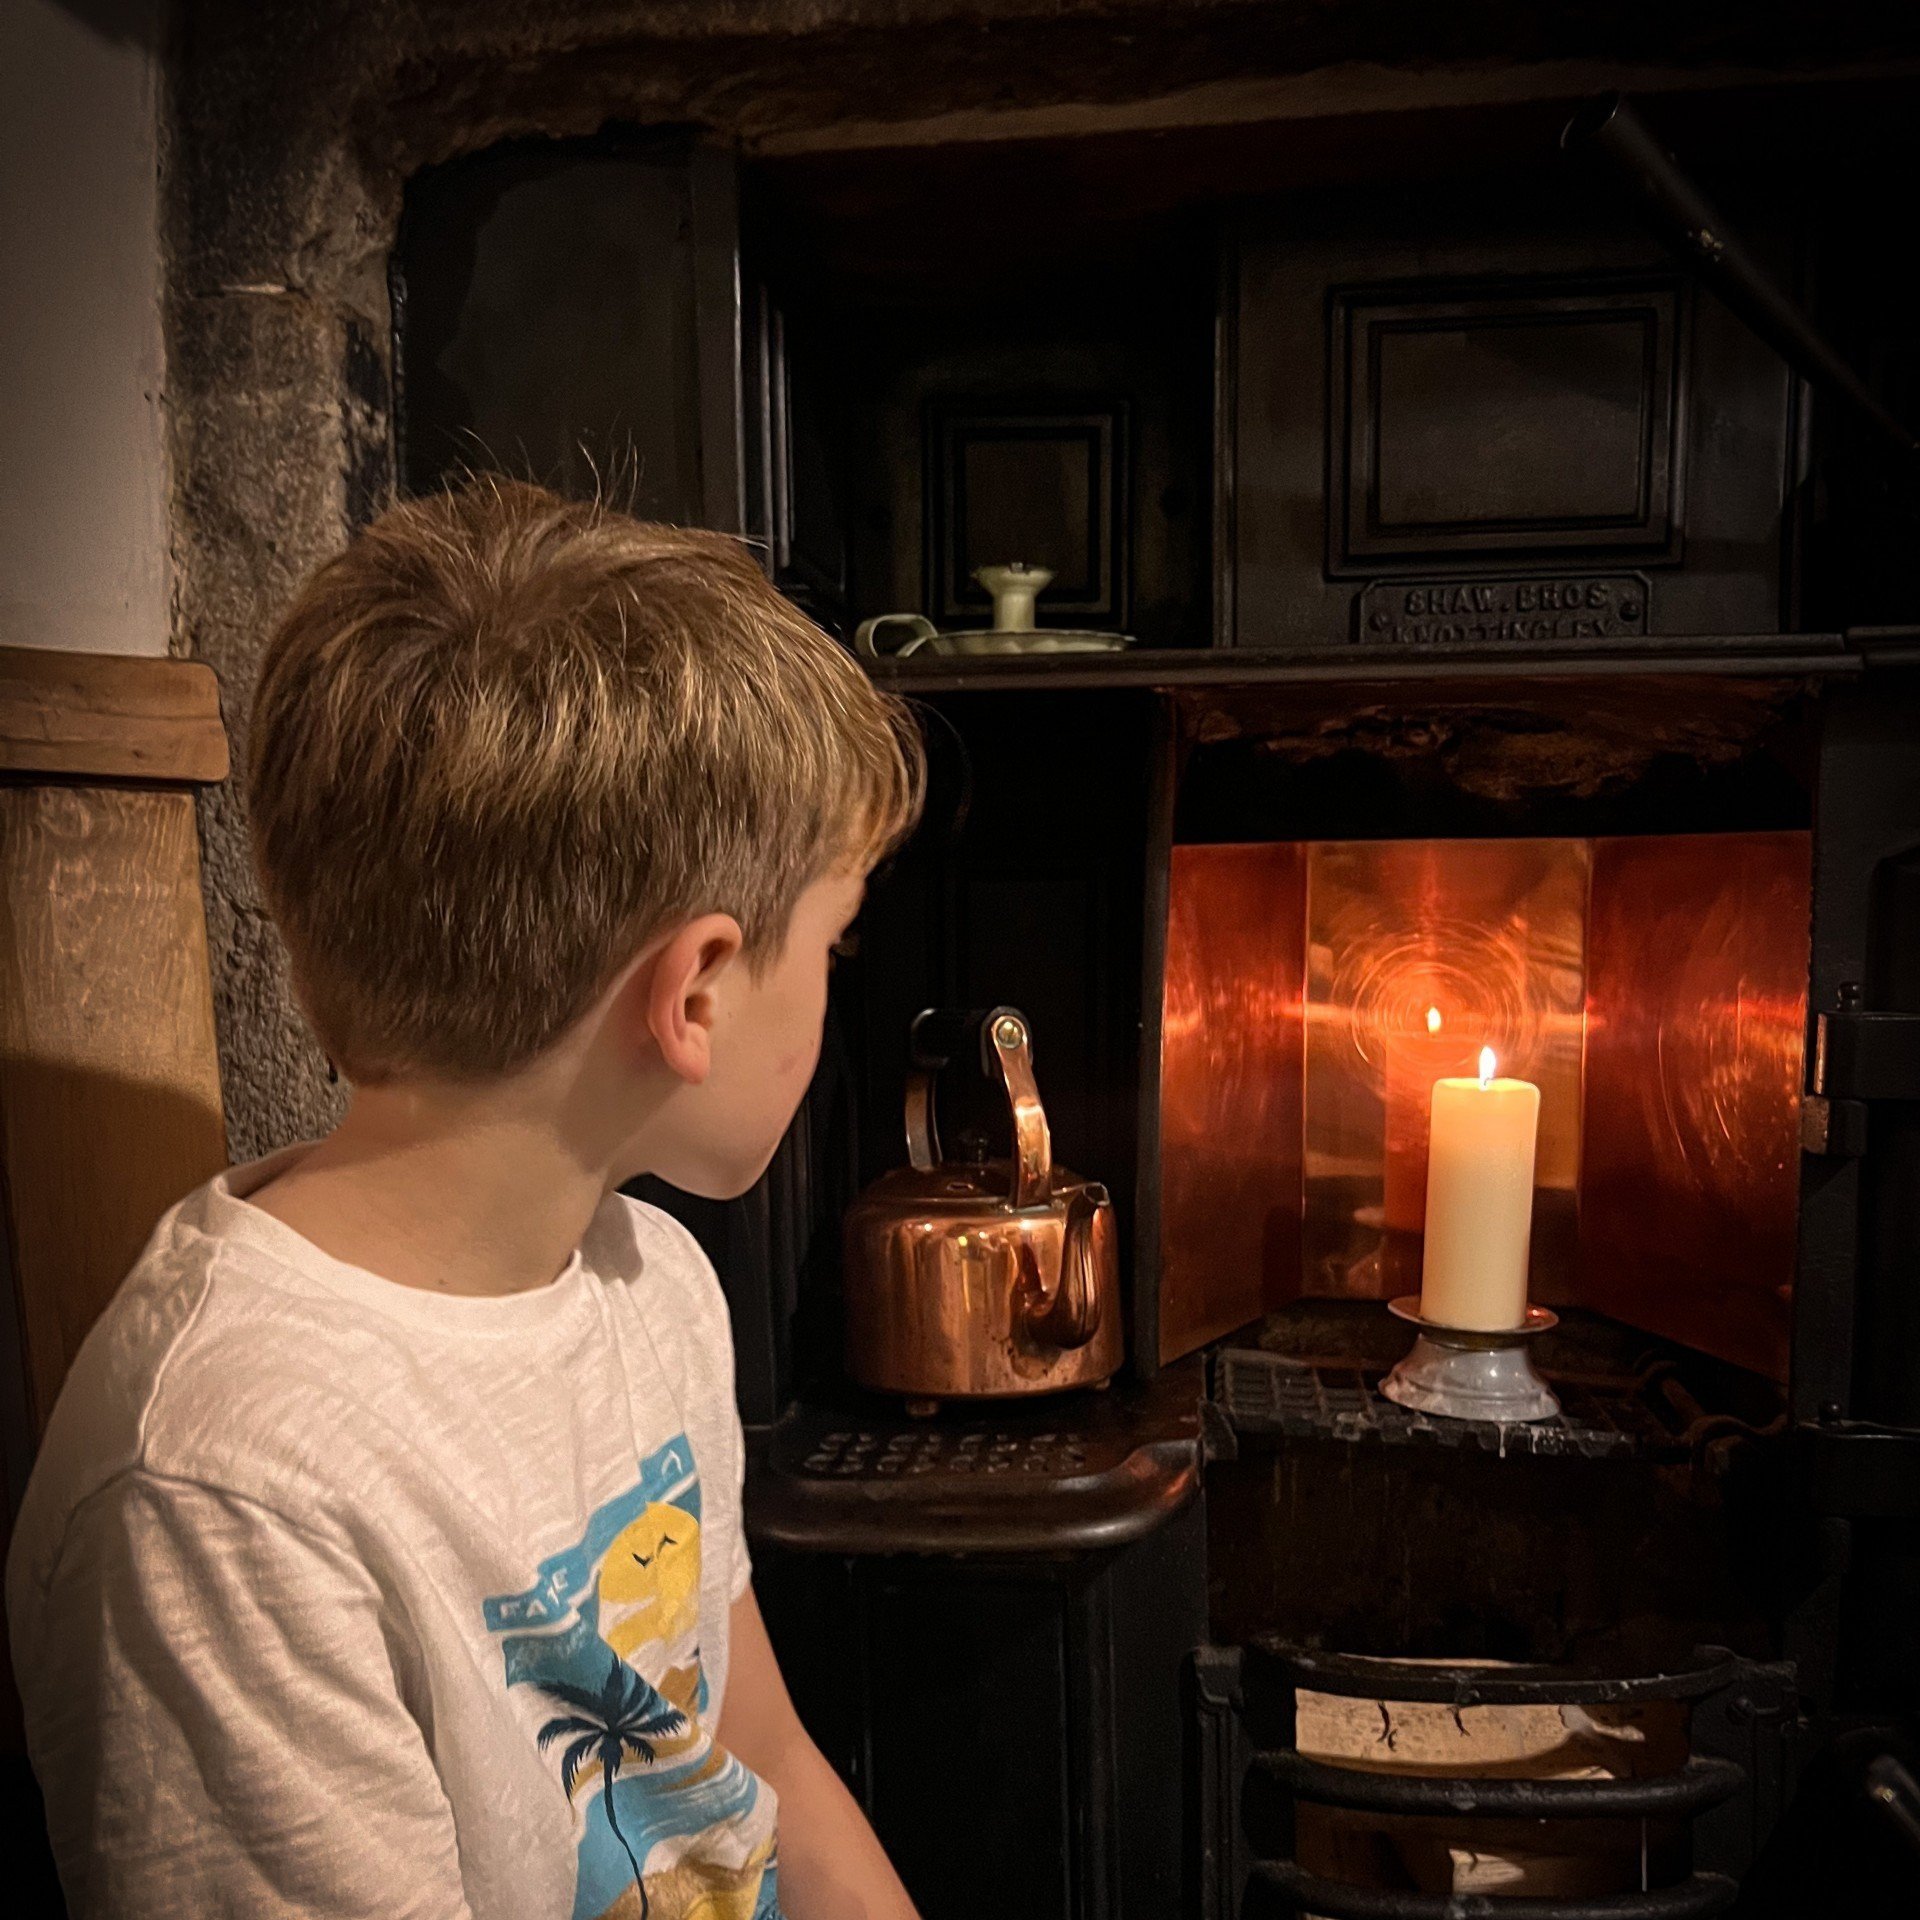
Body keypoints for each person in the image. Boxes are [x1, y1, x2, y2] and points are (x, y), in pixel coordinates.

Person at [6, 479, 926, 1920]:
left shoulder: (650, 1281)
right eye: (833, 944)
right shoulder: (226, 1492)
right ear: (692, 990)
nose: (832, 989)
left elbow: (762, 1766)